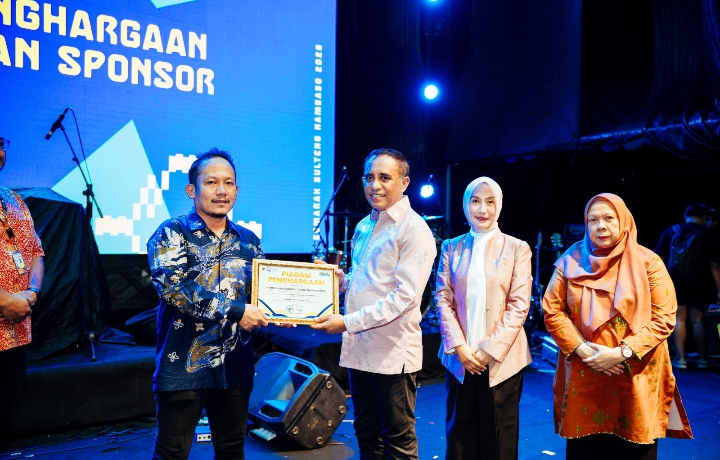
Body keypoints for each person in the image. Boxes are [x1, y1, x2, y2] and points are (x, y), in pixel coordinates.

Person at [543, 193, 692, 460]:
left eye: (609, 218)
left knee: (634, 446)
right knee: (586, 448)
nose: (601, 226)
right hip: (584, 372)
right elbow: (552, 309)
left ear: (623, 220)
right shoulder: (571, 259)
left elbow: (665, 316)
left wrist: (619, 353)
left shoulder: (648, 262)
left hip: (634, 373)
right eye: (593, 220)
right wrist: (585, 351)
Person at [147, 148, 273, 460]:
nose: (221, 191)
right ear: (192, 190)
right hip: (182, 366)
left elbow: (263, 295)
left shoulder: (249, 241)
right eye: (211, 182)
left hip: (235, 365)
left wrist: (295, 304)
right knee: (172, 453)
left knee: (232, 452)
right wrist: (237, 311)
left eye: (228, 183)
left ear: (237, 190)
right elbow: (174, 289)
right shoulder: (171, 232)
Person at [311, 149, 437, 459]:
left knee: (398, 441)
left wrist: (346, 322)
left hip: (392, 353)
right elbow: (368, 279)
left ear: (404, 183)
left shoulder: (414, 229)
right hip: (361, 351)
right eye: (369, 177)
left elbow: (405, 298)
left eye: (384, 177)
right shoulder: (365, 226)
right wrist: (340, 281)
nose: (375, 185)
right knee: (367, 435)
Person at [435, 176, 532, 460]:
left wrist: (489, 349)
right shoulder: (451, 247)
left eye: (490, 202)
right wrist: (460, 347)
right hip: (460, 359)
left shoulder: (517, 248)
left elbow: (519, 305)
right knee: (460, 436)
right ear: (465, 204)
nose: (482, 209)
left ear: (499, 205)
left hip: (502, 361)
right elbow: (442, 299)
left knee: (500, 438)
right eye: (475, 201)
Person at [0, 136, 45, 452]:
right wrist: (5, 301)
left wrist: (31, 292)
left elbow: (36, 252)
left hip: (15, 332)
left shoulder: (14, 200)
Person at [654, 203, 720, 369]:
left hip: (675, 283)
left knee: (679, 319)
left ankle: (680, 359)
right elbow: (715, 266)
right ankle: (703, 359)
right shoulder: (708, 235)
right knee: (697, 320)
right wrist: (719, 290)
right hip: (701, 284)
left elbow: (657, 259)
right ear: (703, 217)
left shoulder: (671, 231)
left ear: (685, 215)